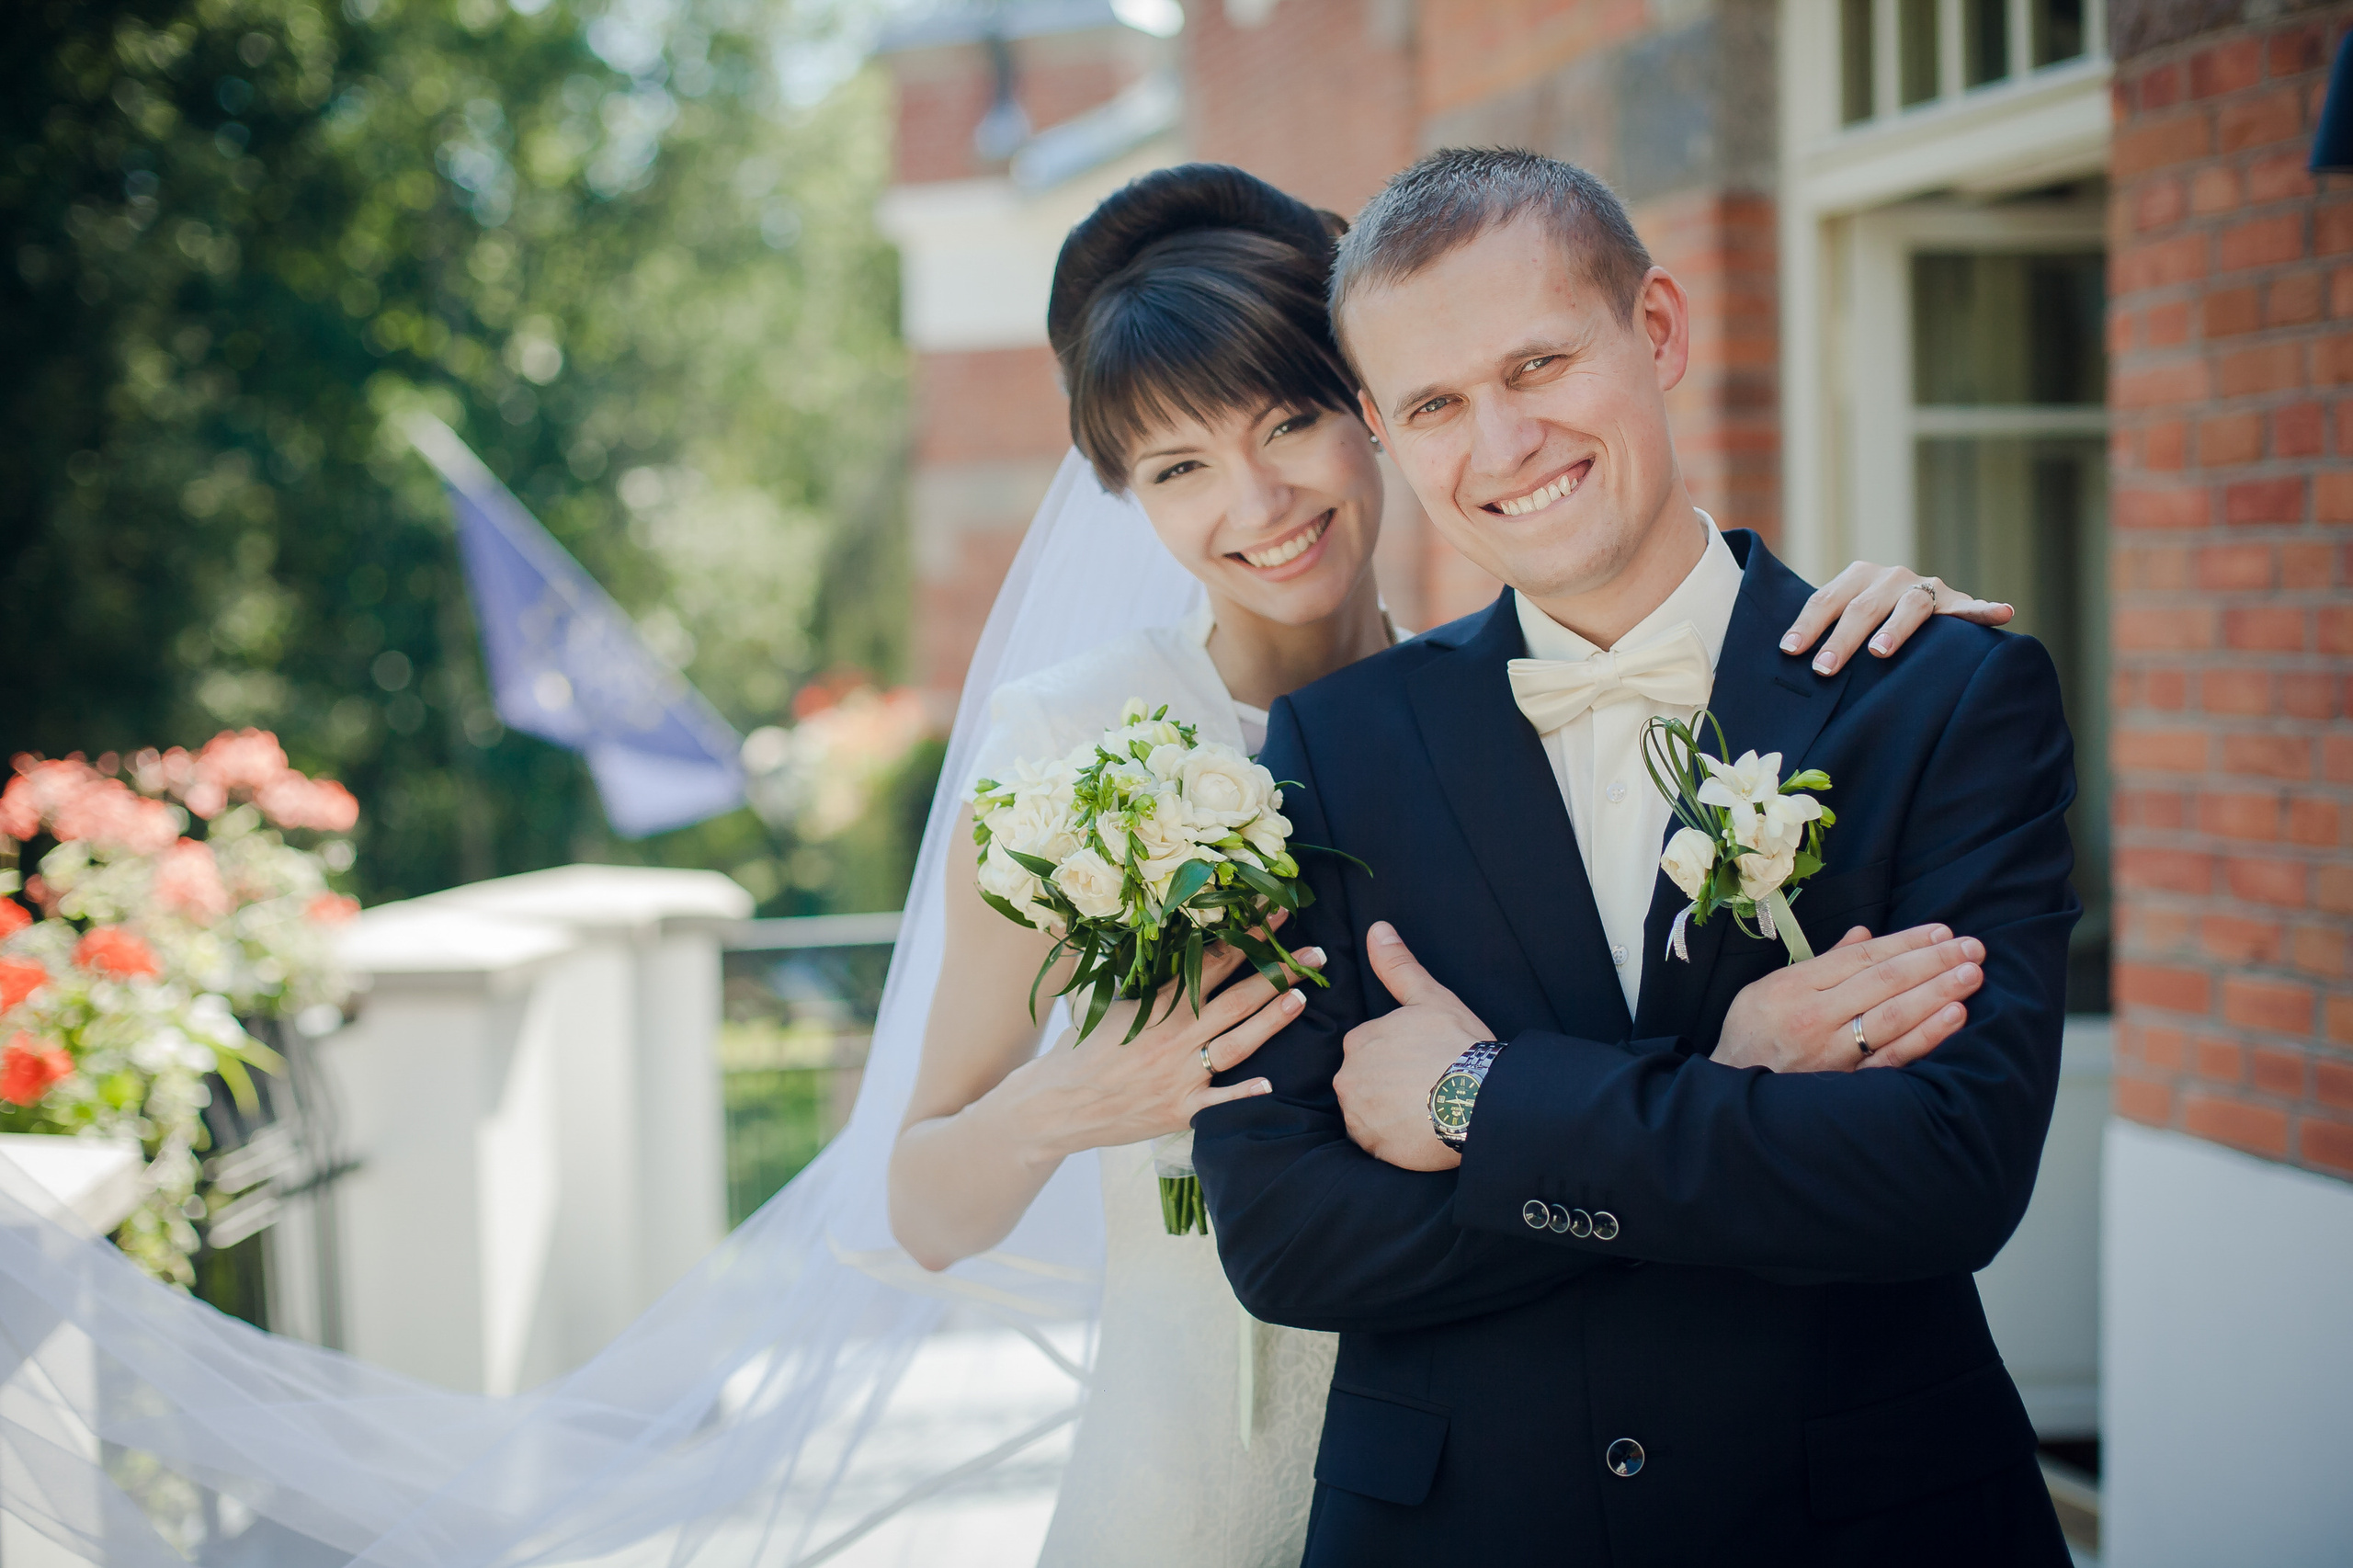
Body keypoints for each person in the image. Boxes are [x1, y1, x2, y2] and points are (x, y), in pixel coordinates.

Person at [887, 163, 2016, 1568]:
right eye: (1179, 468)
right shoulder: (1084, 750)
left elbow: (1940, 1164)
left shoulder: (1522, 685)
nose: (1257, 499)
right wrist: (1079, 1093)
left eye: (1288, 421)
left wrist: (1491, 1104)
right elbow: (1004, 1203)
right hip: (1241, 1451)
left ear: (1358, 423)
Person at [1189, 149, 2078, 1567]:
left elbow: (1947, 1173)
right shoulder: (1328, 749)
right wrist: (1728, 1091)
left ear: (1656, 331)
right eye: (1435, 405)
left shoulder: (1938, 696)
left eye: (1538, 363)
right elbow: (1291, 1234)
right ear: (1383, 428)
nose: (1502, 444)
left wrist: (1482, 1101)